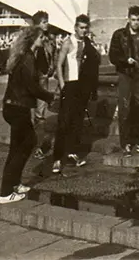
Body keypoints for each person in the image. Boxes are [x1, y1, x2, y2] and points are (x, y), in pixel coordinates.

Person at [0, 27, 55, 204]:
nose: (43, 39)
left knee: (17, 147)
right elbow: (31, 86)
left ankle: (14, 184)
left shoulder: (22, 56)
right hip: (18, 107)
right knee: (27, 143)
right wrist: (49, 96)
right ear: (33, 39)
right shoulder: (28, 58)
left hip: (12, 106)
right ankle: (6, 192)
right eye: (41, 37)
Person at [51, 14, 100, 172]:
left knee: (77, 121)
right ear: (75, 28)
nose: (83, 30)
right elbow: (59, 64)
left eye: (86, 28)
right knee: (64, 121)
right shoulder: (68, 42)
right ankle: (57, 158)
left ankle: (72, 153)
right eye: (81, 27)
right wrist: (62, 84)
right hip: (70, 84)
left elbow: (95, 60)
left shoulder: (86, 43)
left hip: (82, 86)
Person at [108, 5, 139, 156]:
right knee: (125, 110)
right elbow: (113, 56)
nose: (135, 23)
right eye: (133, 20)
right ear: (128, 19)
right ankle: (126, 144)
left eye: (138, 20)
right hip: (126, 75)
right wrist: (125, 60)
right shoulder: (119, 35)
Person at [31, 11, 56, 160]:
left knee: (40, 114)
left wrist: (50, 70)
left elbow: (51, 56)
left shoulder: (48, 39)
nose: (46, 24)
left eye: (47, 21)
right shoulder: (32, 40)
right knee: (33, 112)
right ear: (37, 24)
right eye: (44, 22)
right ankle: (35, 144)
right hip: (33, 77)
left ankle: (38, 146)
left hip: (43, 76)